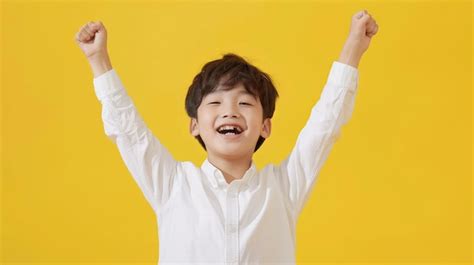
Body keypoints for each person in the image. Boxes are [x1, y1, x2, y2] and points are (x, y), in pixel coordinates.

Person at [75, 9, 378, 265]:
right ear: (194, 125)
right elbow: (130, 133)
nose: (230, 110)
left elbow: (324, 125)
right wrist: (99, 61)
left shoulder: (283, 188)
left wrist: (353, 49)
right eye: (215, 102)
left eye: (245, 103)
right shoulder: (173, 185)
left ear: (265, 127)